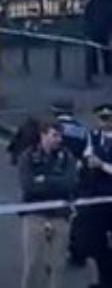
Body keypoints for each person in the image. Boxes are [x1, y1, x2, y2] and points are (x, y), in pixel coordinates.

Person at [15, 123, 79, 288]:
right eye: (54, 135)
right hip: (34, 215)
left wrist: (44, 180)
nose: (59, 140)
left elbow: (71, 183)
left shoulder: (67, 157)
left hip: (60, 216)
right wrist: (54, 183)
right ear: (43, 135)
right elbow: (28, 186)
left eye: (60, 136)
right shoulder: (28, 156)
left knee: (57, 265)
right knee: (32, 263)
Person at [50, 99, 90, 268]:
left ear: (54, 111)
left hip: (54, 180)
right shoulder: (83, 130)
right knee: (75, 218)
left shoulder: (50, 130)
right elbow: (88, 154)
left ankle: (52, 255)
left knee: (53, 218)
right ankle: (77, 254)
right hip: (76, 179)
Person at [80, 103, 112, 288]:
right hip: (96, 197)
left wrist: (103, 165)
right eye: (101, 118)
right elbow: (86, 154)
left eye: (107, 118)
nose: (104, 122)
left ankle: (110, 284)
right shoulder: (93, 136)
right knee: (97, 242)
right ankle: (103, 280)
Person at [82, 0, 112, 76]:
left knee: (105, 48)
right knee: (92, 49)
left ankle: (107, 69)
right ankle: (94, 69)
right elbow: (82, 5)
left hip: (103, 25)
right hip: (92, 25)